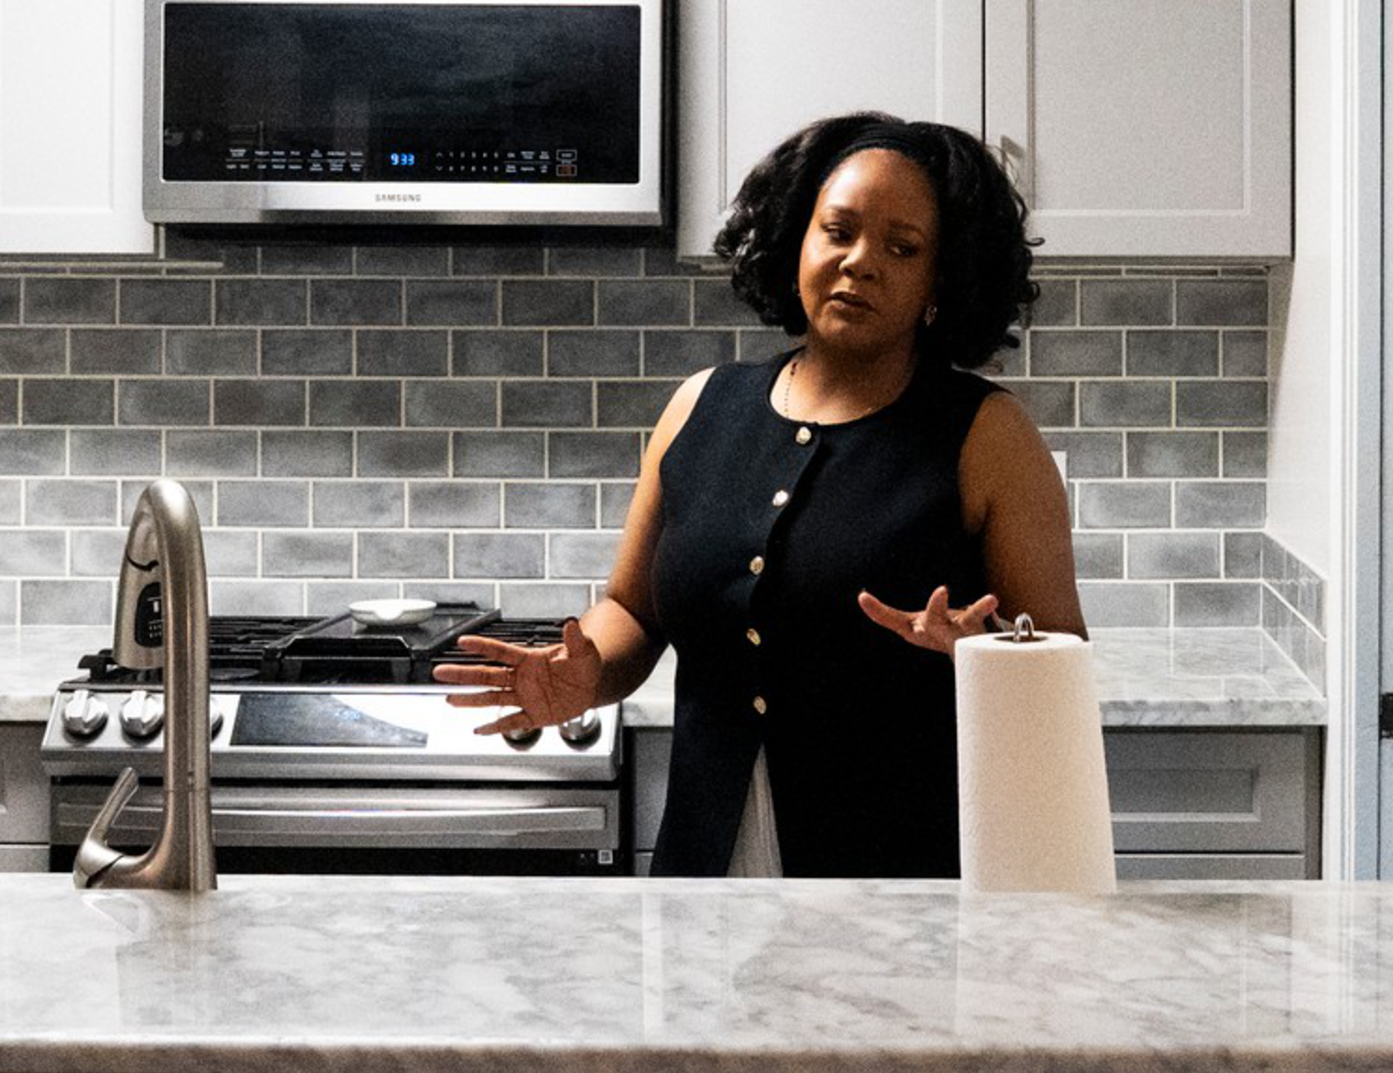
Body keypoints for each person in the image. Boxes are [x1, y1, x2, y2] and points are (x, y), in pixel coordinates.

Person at [435, 113, 1084, 875]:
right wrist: (584, 675)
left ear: (941, 280)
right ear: (795, 240)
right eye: (836, 230)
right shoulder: (698, 407)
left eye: (901, 247)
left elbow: (1058, 671)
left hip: (901, 881)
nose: (859, 262)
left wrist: (985, 649)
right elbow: (632, 611)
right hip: (703, 867)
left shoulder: (987, 437)